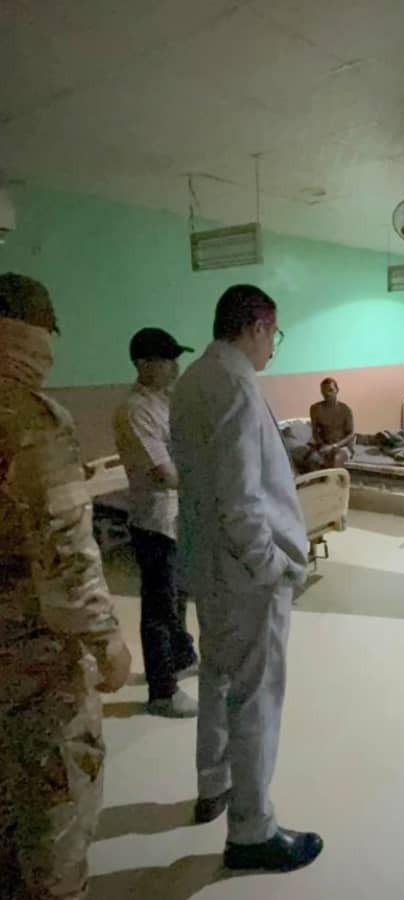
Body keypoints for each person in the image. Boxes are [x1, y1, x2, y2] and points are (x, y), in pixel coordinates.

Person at [170, 284, 323, 873]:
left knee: (216, 674)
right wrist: (272, 566)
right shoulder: (236, 385)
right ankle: (252, 830)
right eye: (273, 335)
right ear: (256, 326)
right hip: (245, 574)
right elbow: (241, 497)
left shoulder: (192, 380)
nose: (273, 348)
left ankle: (213, 784)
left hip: (208, 564)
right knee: (255, 696)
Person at [0, 272, 131, 900]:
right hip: (31, 666)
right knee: (53, 829)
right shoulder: (30, 419)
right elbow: (66, 556)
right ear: (37, 334)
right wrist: (107, 642)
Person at [113, 328, 198, 718]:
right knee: (159, 608)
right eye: (166, 360)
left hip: (175, 517)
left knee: (177, 596)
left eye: (175, 359)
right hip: (155, 521)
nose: (174, 367)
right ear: (142, 364)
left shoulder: (164, 403)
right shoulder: (135, 410)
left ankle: (181, 659)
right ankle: (162, 691)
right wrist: (205, 480)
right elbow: (165, 473)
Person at [307, 377, 356, 469]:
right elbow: (315, 431)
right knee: (312, 459)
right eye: (324, 391)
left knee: (336, 459)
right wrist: (322, 445)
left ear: (337, 390)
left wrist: (334, 446)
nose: (327, 394)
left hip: (341, 446)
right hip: (323, 446)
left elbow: (351, 434)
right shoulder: (315, 409)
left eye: (330, 390)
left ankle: (335, 478)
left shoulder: (345, 409)